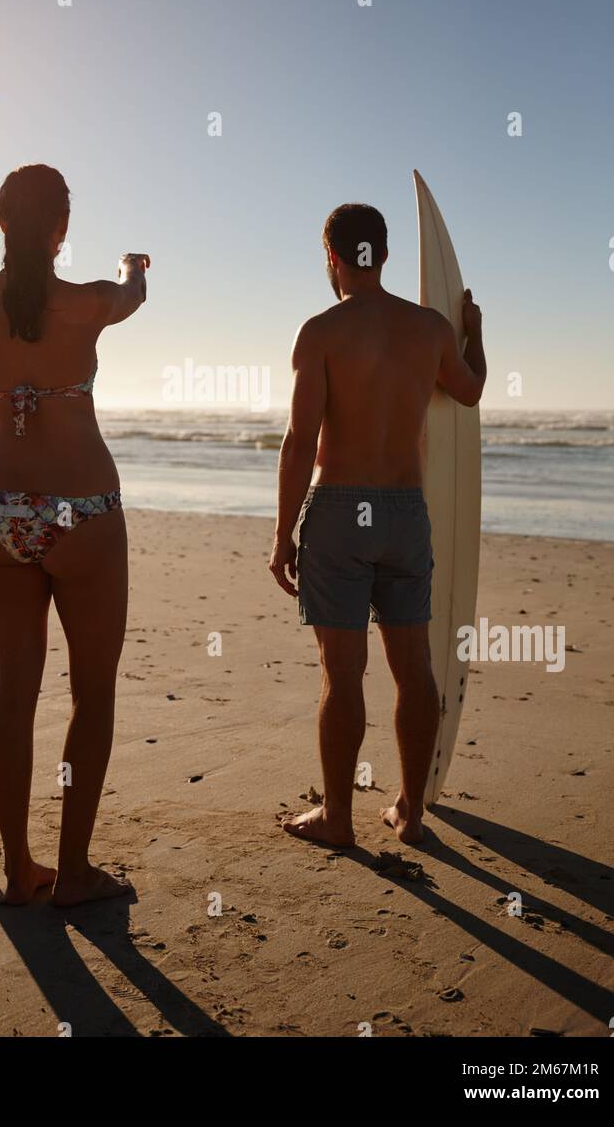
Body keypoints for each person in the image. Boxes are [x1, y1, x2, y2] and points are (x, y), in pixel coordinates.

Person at [0, 163, 149, 905]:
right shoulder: (88, 303)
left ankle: (19, 871)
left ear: (1, 224)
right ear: (61, 229)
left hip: (3, 514)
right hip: (83, 514)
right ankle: (73, 872)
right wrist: (133, 263)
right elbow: (134, 292)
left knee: (15, 692)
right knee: (93, 691)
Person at [268, 203, 485, 846]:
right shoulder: (428, 329)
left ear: (332, 258)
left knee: (343, 673)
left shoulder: (321, 332)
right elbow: (469, 389)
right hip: (403, 511)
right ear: (383, 255)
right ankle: (411, 812)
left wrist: (282, 534)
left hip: (338, 509)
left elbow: (299, 441)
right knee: (414, 668)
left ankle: (338, 817)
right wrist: (473, 331)